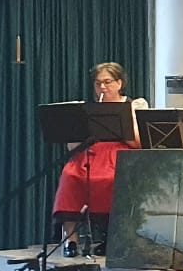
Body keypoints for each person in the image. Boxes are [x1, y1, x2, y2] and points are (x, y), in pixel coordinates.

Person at [53, 62, 146, 250]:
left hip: (120, 154)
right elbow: (72, 147)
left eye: (107, 82)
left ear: (119, 83)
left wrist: (120, 127)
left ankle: (113, 237)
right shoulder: (88, 109)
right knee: (70, 175)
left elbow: (139, 143)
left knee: (111, 179)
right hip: (91, 154)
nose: (102, 87)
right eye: (98, 83)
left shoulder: (134, 105)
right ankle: (70, 239)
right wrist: (79, 129)